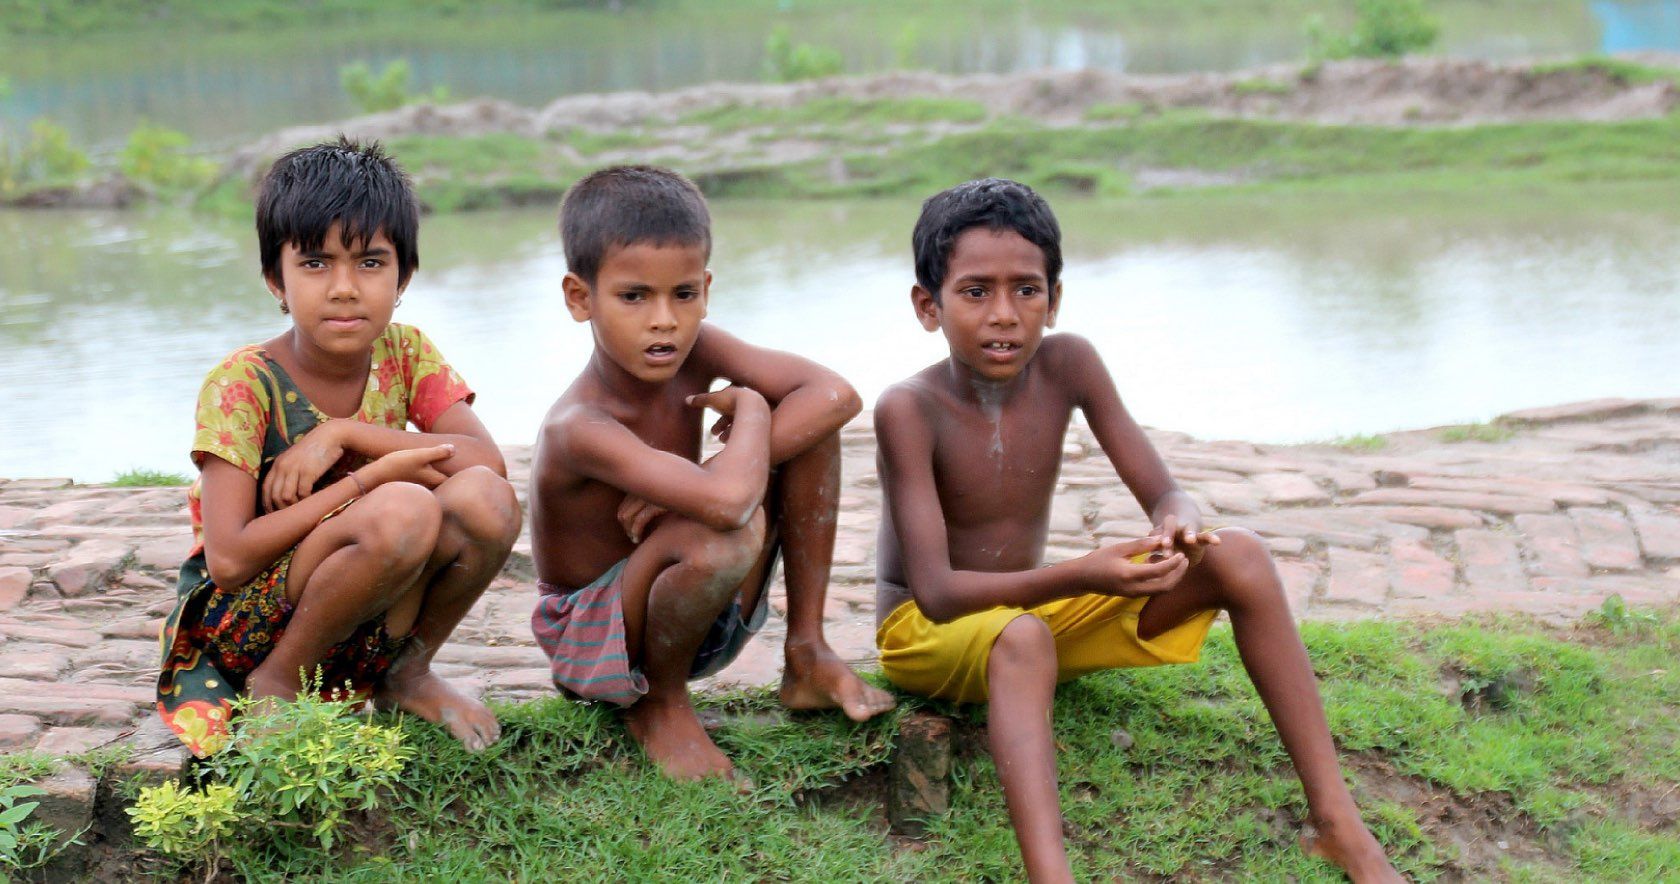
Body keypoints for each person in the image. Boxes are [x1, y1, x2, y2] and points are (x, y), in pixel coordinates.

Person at [872, 178, 1401, 882]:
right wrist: (1087, 572)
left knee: (1237, 554)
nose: (1005, 314)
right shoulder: (909, 409)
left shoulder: (1070, 365)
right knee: (1023, 634)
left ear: (1054, 299)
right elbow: (935, 592)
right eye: (975, 292)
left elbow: (1165, 490)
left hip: (1026, 619)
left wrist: (1176, 521)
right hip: (928, 636)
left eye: (1027, 290)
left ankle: (1340, 826)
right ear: (927, 305)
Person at [529, 165, 896, 781]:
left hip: (696, 606)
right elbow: (726, 507)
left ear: (706, 287)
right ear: (579, 297)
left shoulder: (695, 352)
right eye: (633, 296)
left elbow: (835, 395)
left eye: (683, 294)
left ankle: (807, 651)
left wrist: (704, 471)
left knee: (808, 433)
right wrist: (751, 408)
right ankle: (659, 705)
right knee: (718, 526)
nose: (664, 321)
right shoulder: (579, 424)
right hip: (600, 640)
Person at [156, 138, 520, 756]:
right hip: (250, 621)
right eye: (316, 264)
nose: (345, 288)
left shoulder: (405, 352)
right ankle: (279, 683)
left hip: (364, 601)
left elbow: (488, 465)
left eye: (371, 263)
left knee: (487, 499)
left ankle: (406, 673)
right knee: (404, 505)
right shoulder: (243, 384)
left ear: (403, 275)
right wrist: (367, 482)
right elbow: (230, 561)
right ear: (276, 278)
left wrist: (346, 435)